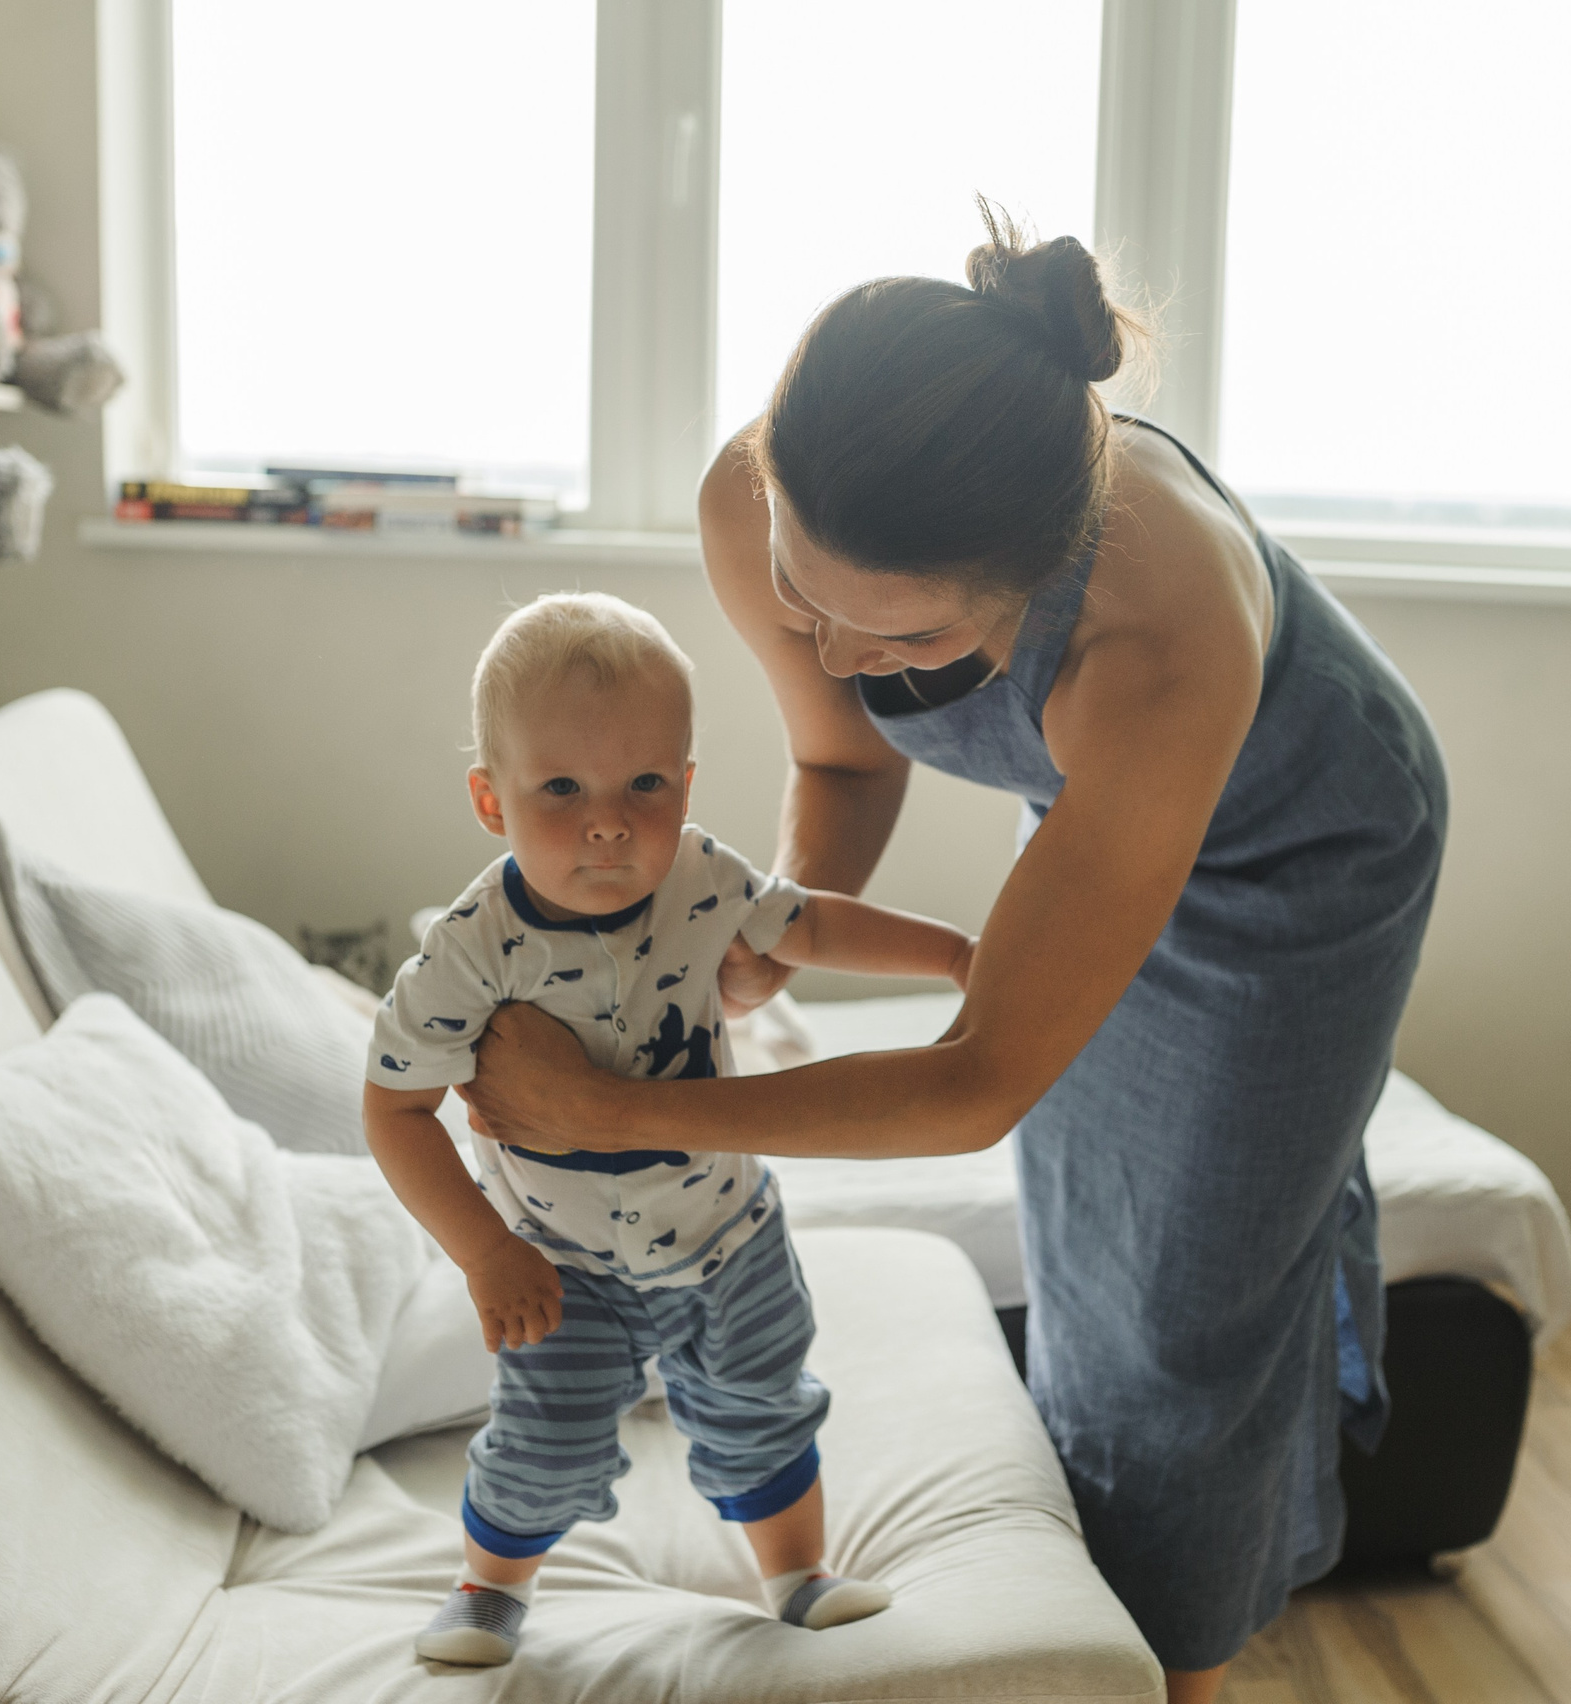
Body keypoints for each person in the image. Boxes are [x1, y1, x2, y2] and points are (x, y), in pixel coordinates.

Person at [458, 211, 1448, 1702]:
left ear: (1034, 581)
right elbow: (845, 768)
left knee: (1188, 1306)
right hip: (1102, 809)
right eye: (808, 598)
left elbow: (973, 1080)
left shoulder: (1158, 637)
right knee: (1086, 1249)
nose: (838, 655)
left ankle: (1181, 1673)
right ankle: (1082, 1635)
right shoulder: (763, 491)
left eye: (898, 630)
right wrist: (770, 943)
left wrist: (612, 1113)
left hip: (1307, 854)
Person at [364, 592, 976, 1667]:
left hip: (729, 1237)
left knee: (762, 1409)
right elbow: (393, 1106)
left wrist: (957, 956)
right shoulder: (471, 950)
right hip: (560, 1264)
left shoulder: (701, 876)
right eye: (561, 788)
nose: (609, 820)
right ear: (488, 799)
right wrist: (485, 1250)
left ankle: (796, 1575)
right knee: (543, 1441)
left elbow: (812, 918)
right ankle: (484, 1590)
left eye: (643, 783)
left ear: (685, 784)